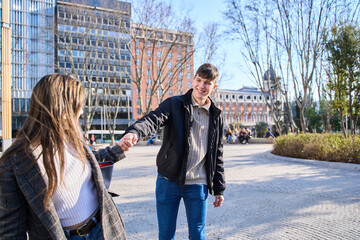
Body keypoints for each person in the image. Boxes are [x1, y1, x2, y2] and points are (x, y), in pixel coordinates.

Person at [0, 73, 133, 240]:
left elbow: (91, 161)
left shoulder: (73, 137)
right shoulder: (13, 164)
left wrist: (117, 150)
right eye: (78, 106)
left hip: (103, 229)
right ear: (62, 109)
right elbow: (11, 232)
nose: (82, 111)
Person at [122, 63, 226, 240]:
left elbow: (217, 153)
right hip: (168, 181)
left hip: (198, 184)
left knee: (198, 234)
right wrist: (134, 132)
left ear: (214, 87)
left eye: (207, 83)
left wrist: (219, 188)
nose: (201, 86)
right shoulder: (174, 104)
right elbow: (152, 120)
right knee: (166, 234)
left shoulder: (217, 116)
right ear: (193, 80)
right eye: (199, 80)